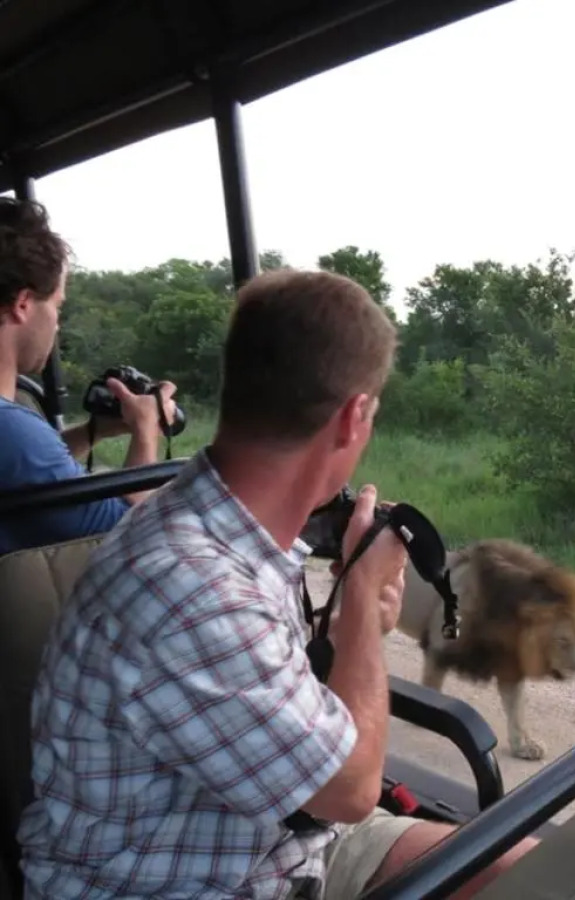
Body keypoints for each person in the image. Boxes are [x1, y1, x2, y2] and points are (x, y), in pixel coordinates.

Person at [17, 267, 539, 899]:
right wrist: (360, 614)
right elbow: (349, 791)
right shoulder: (194, 588)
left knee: (528, 868)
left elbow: (290, 721)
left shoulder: (227, 533)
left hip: (281, 839)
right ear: (352, 420)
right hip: (180, 880)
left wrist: (355, 620)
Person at [0, 196, 177, 554]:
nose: (57, 322)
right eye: (57, 305)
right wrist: (147, 431)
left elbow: (29, 481)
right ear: (22, 305)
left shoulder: (16, 440)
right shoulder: (12, 431)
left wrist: (93, 432)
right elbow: (127, 538)